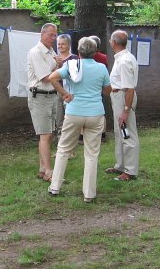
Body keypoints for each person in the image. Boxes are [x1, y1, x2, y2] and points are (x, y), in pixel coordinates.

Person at [45, 37, 111, 202]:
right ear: (95, 52)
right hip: (95, 114)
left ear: (79, 52)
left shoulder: (71, 65)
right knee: (91, 154)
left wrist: (65, 94)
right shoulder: (102, 68)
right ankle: (89, 194)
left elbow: (52, 78)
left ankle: (55, 187)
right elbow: (108, 91)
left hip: (74, 112)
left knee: (63, 149)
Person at [27, 23, 60, 181]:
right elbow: (46, 77)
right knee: (45, 134)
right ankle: (49, 171)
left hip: (51, 95)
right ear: (42, 34)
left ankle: (42, 168)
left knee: (49, 133)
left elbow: (53, 73)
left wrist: (58, 67)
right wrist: (61, 70)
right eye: (51, 35)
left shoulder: (51, 51)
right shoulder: (36, 52)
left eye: (55, 35)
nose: (54, 38)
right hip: (40, 96)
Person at [106, 30, 140, 181]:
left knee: (126, 132)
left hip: (123, 98)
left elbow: (129, 88)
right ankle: (120, 165)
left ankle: (130, 170)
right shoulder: (122, 58)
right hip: (118, 97)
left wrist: (126, 110)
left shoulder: (125, 61)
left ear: (113, 42)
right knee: (119, 131)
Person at [54, 34, 77, 134]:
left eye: (63, 44)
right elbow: (52, 75)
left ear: (69, 45)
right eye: (58, 44)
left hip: (69, 92)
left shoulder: (74, 58)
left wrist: (61, 65)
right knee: (58, 119)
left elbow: (74, 76)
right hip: (57, 91)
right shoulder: (54, 58)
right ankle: (60, 142)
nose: (60, 46)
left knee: (70, 119)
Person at [90, 35, 109, 142]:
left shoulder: (85, 57)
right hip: (99, 86)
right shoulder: (103, 57)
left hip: (88, 86)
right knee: (100, 111)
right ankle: (102, 134)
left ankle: (83, 135)